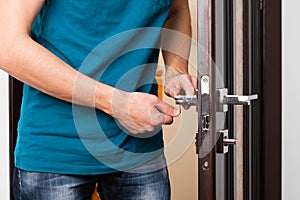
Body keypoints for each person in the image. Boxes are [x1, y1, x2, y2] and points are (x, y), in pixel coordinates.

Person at [0, 0, 196, 199]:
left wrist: (176, 68)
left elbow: (176, 9)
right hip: (57, 150)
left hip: (139, 149)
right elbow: (7, 46)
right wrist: (115, 103)